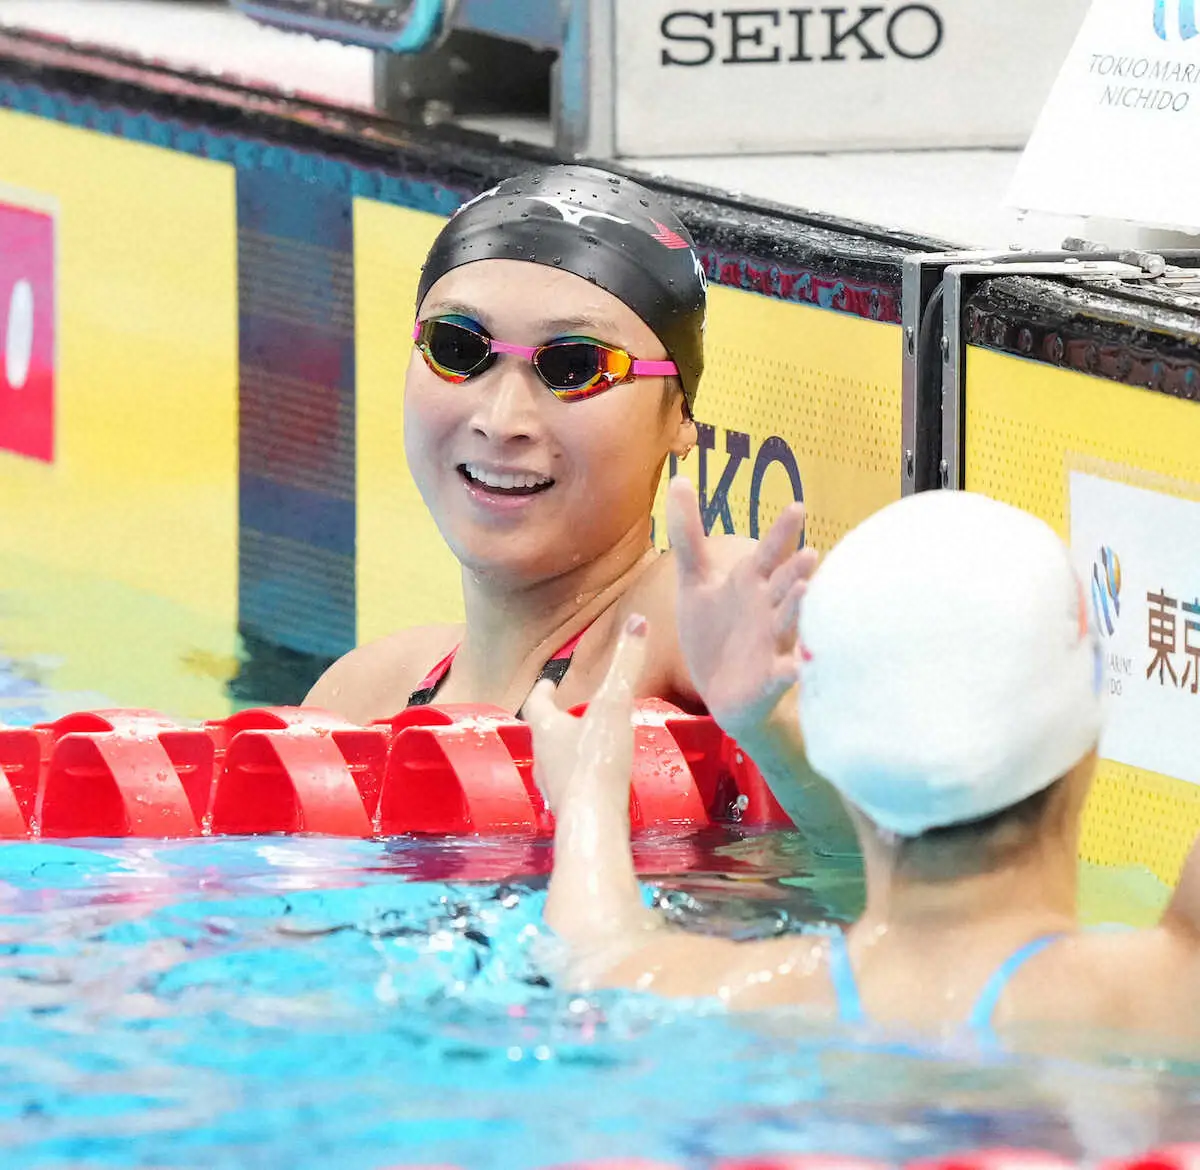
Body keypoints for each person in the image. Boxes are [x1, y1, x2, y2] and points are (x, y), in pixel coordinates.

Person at [529, 489, 1200, 1043]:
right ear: (1087, 733)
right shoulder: (1160, 1002)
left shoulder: (739, 996)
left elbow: (591, 946)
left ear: (833, 757)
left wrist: (586, 794)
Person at [306, 164, 849, 840]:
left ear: (680, 414)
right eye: (458, 348)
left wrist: (773, 730)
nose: (502, 419)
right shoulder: (362, 694)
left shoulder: (679, 621)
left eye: (575, 366)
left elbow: (908, 870)